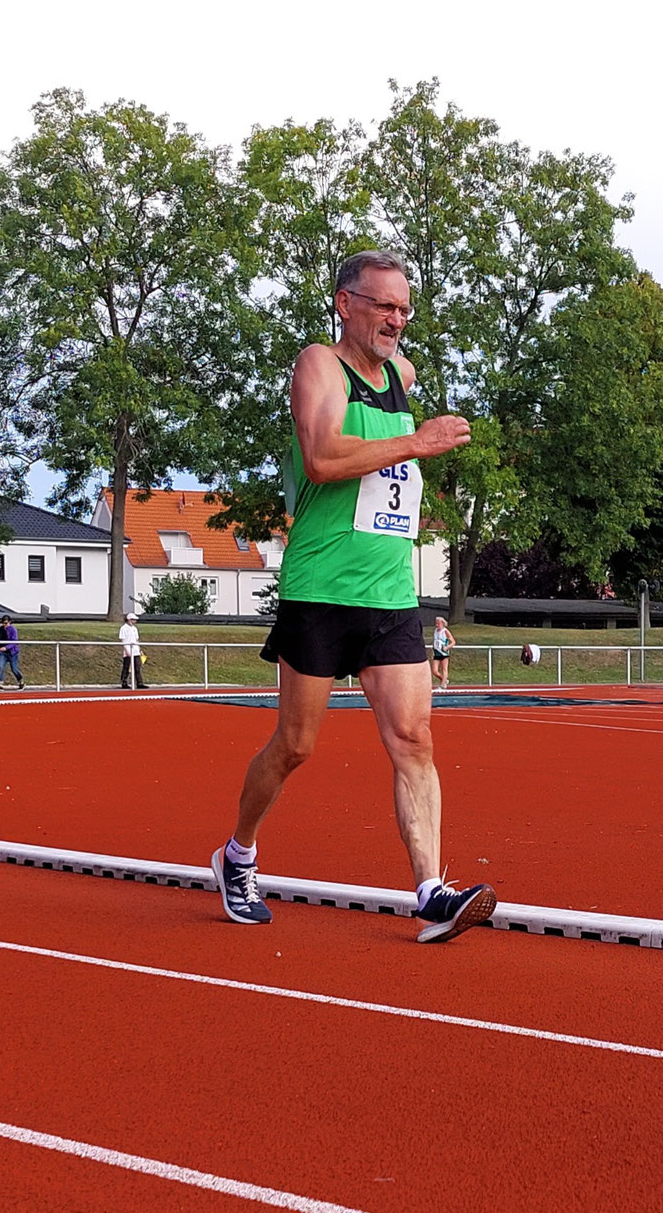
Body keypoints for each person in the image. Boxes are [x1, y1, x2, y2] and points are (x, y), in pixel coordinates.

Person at [210, 249, 490, 944]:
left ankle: (430, 891)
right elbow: (324, 459)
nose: (397, 319)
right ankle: (237, 855)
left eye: (405, 308)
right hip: (321, 588)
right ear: (345, 303)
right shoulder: (319, 366)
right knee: (295, 746)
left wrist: (412, 474)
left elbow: (389, 478)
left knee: (413, 738)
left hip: (391, 592)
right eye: (384, 305)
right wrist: (416, 446)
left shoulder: (402, 374)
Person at [0, 616, 24, 688]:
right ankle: (0, 683)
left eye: (6, 623)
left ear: (9, 622)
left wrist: (6, 647)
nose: (5, 625)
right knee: (0, 666)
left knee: (14, 669)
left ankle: (20, 680)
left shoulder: (13, 629)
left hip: (12, 652)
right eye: (3, 623)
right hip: (3, 653)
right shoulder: (1, 629)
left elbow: (14, 641)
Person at [118, 613, 144, 690]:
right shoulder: (123, 628)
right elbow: (122, 640)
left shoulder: (135, 629)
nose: (134, 621)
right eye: (133, 619)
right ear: (129, 620)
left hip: (135, 650)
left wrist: (139, 650)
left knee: (137, 667)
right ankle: (124, 682)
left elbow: (136, 640)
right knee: (126, 667)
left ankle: (139, 683)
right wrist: (126, 650)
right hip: (128, 650)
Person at [429, 614, 452, 690]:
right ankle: (444, 680)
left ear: (442, 623)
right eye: (436, 623)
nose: (437, 625)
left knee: (444, 669)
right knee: (434, 671)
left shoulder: (445, 631)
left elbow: (453, 641)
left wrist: (447, 647)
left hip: (444, 653)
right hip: (437, 652)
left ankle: (442, 685)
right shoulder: (435, 631)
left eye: (438, 623)